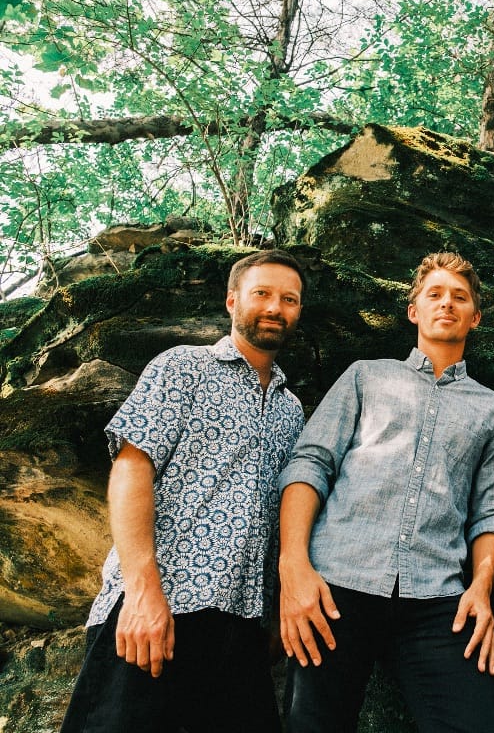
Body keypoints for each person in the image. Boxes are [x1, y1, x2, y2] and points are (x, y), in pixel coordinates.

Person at [60, 249, 307, 733]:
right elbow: (132, 469)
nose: (275, 307)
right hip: (160, 608)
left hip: (240, 627)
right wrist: (142, 593)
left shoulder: (292, 410)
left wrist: (276, 611)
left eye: (289, 299)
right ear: (232, 300)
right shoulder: (183, 367)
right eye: (262, 294)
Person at [277, 251, 494, 733]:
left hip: (436, 598)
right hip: (335, 584)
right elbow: (310, 463)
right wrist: (293, 567)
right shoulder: (366, 376)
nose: (446, 304)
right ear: (414, 311)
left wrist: (482, 588)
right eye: (434, 294)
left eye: (459, 297)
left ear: (476, 316)